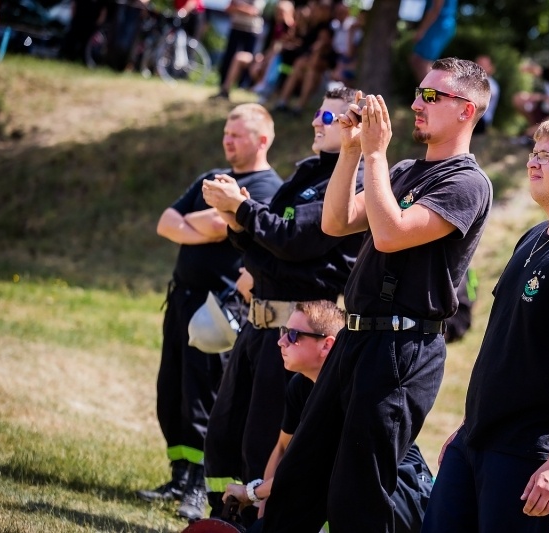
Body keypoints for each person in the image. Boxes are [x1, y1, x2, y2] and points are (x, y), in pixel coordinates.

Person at [259, 57, 493, 533]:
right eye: (418, 93)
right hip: (356, 338)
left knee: (357, 494)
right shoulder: (405, 169)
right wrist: (348, 152)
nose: (415, 105)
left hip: (401, 350)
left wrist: (374, 154)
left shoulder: (467, 183)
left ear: (467, 110)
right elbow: (336, 222)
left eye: (432, 96)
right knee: (299, 477)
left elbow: (391, 234)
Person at [421, 114, 549, 533]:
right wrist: (469, 429)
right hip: (479, 439)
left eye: (548, 155)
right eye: (533, 153)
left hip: (530, 453)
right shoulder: (535, 236)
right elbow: (511, 348)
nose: (532, 162)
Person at [200, 86, 366, 529]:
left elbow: (293, 243)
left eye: (329, 118)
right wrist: (238, 221)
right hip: (258, 324)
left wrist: (243, 211)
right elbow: (266, 243)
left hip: (296, 329)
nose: (317, 121)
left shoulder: (353, 181)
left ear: (353, 126)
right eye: (318, 112)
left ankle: (256, 523)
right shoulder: (307, 172)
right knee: (223, 432)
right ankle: (220, 518)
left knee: (262, 442)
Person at [137, 103, 283, 522]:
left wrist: (207, 220)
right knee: (173, 391)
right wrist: (207, 218)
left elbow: (224, 226)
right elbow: (168, 222)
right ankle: (179, 475)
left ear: (262, 139)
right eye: (225, 133)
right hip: (181, 299)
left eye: (237, 134)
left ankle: (200, 488)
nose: (227, 140)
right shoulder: (213, 178)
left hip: (219, 308)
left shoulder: (269, 187)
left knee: (206, 398)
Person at [222, 301, 434, 533]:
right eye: (284, 332)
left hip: (402, 495)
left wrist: (252, 492)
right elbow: (282, 448)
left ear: (327, 346)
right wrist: (267, 504)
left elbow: (310, 470)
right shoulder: (300, 386)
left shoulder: (351, 393)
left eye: (293, 335)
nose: (281, 341)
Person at [216, 0, 266, 95]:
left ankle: (242, 86)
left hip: (252, 31)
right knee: (229, 58)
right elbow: (228, 8)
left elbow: (254, 11)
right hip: (235, 28)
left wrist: (237, 7)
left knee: (248, 61)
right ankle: (224, 85)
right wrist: (244, 8)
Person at [410, 0, 457, 83]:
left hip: (438, 24)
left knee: (422, 62)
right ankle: (430, 92)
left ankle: (435, 93)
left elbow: (436, 8)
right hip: (441, 24)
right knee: (417, 60)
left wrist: (421, 30)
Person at [472, 55, 499, 135]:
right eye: (478, 63)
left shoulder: (492, 85)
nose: (479, 66)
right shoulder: (470, 81)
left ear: (490, 68)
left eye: (483, 64)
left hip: (481, 121)